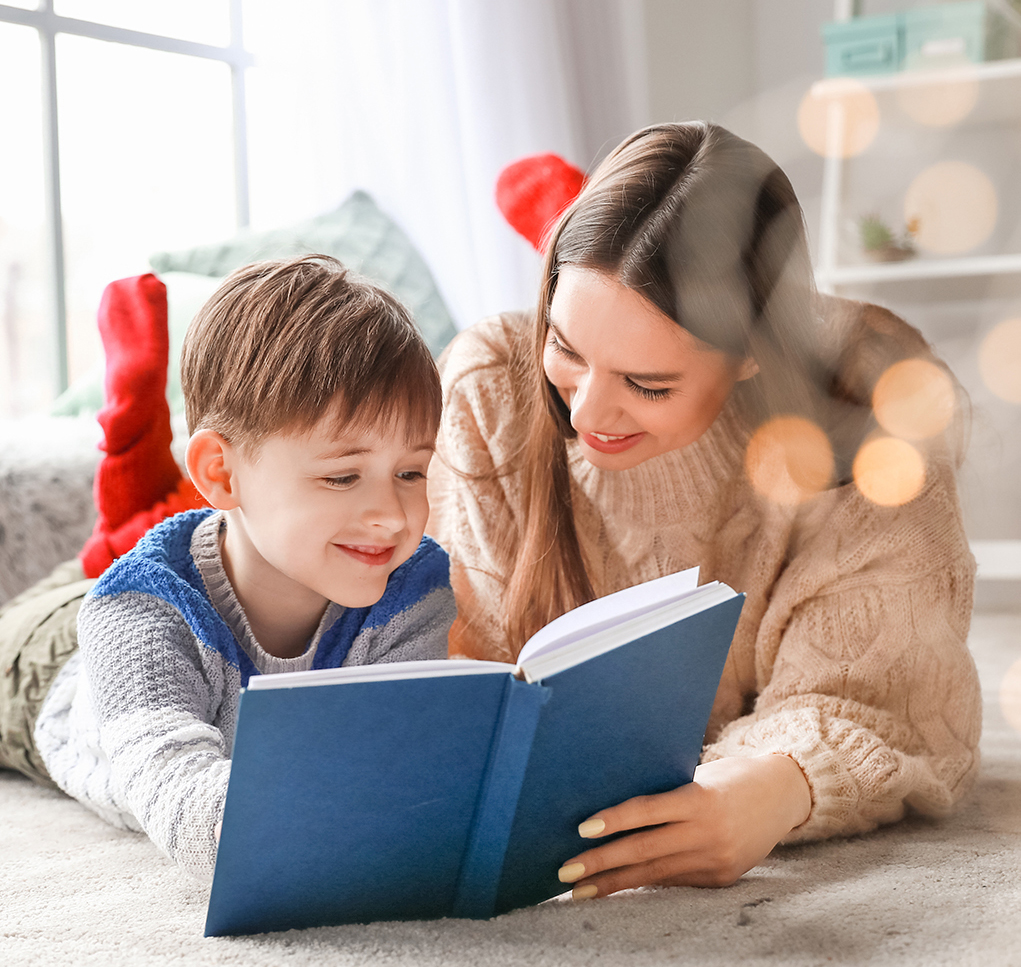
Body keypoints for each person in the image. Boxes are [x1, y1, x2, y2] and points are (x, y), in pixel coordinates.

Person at [428, 122, 981, 900]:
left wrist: (777, 784)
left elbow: (893, 696)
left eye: (647, 383)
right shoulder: (490, 380)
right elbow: (464, 664)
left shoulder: (873, 399)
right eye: (566, 347)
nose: (587, 409)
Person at [1, 255, 455, 878]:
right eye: (342, 476)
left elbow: (401, 750)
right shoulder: (138, 615)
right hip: (43, 668)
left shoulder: (412, 588)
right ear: (221, 471)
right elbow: (175, 788)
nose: (391, 516)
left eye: (411, 473)